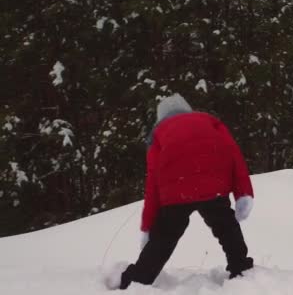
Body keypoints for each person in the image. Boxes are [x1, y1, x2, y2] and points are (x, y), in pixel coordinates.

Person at [105, 93, 255, 290]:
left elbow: (153, 184)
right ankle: (240, 268)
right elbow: (234, 154)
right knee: (226, 226)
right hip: (214, 184)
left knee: (164, 236)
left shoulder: (158, 134)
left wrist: (149, 227)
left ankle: (137, 279)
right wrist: (243, 193)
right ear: (188, 110)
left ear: (161, 117)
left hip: (177, 191)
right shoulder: (210, 122)